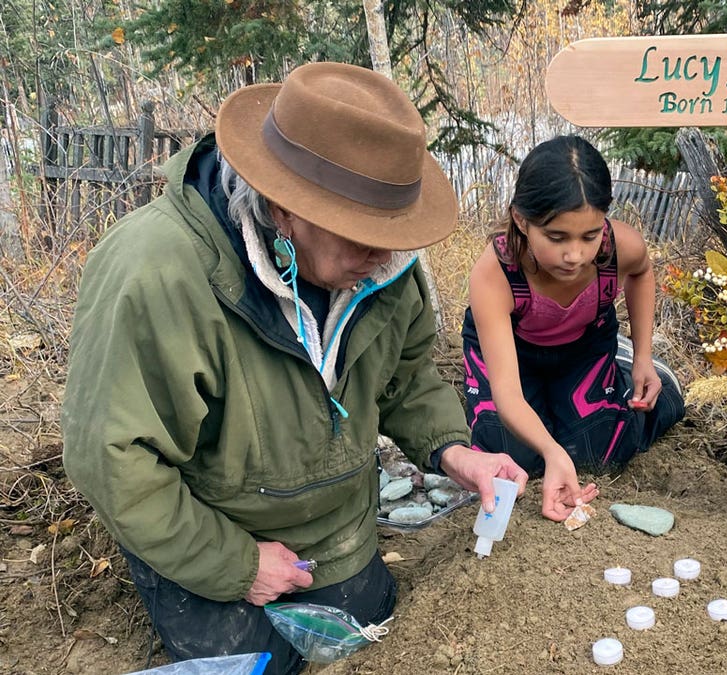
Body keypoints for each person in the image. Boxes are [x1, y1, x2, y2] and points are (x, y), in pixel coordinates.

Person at [62, 62, 528, 674]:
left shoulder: (384, 269)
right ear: (284, 207)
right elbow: (113, 459)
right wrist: (235, 564)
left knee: (367, 644)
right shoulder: (158, 274)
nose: (384, 256)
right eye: (362, 236)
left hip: (337, 531)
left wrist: (454, 452)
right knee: (256, 664)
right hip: (212, 530)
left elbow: (406, 378)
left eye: (392, 232)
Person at [457, 135, 684, 521]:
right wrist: (551, 451)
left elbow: (643, 272)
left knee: (596, 451)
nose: (574, 255)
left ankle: (630, 366)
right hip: (513, 353)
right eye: (556, 237)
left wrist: (645, 355)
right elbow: (509, 393)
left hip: (583, 344)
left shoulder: (620, 246)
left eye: (589, 235)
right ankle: (543, 415)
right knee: (510, 454)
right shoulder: (495, 273)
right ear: (521, 219)